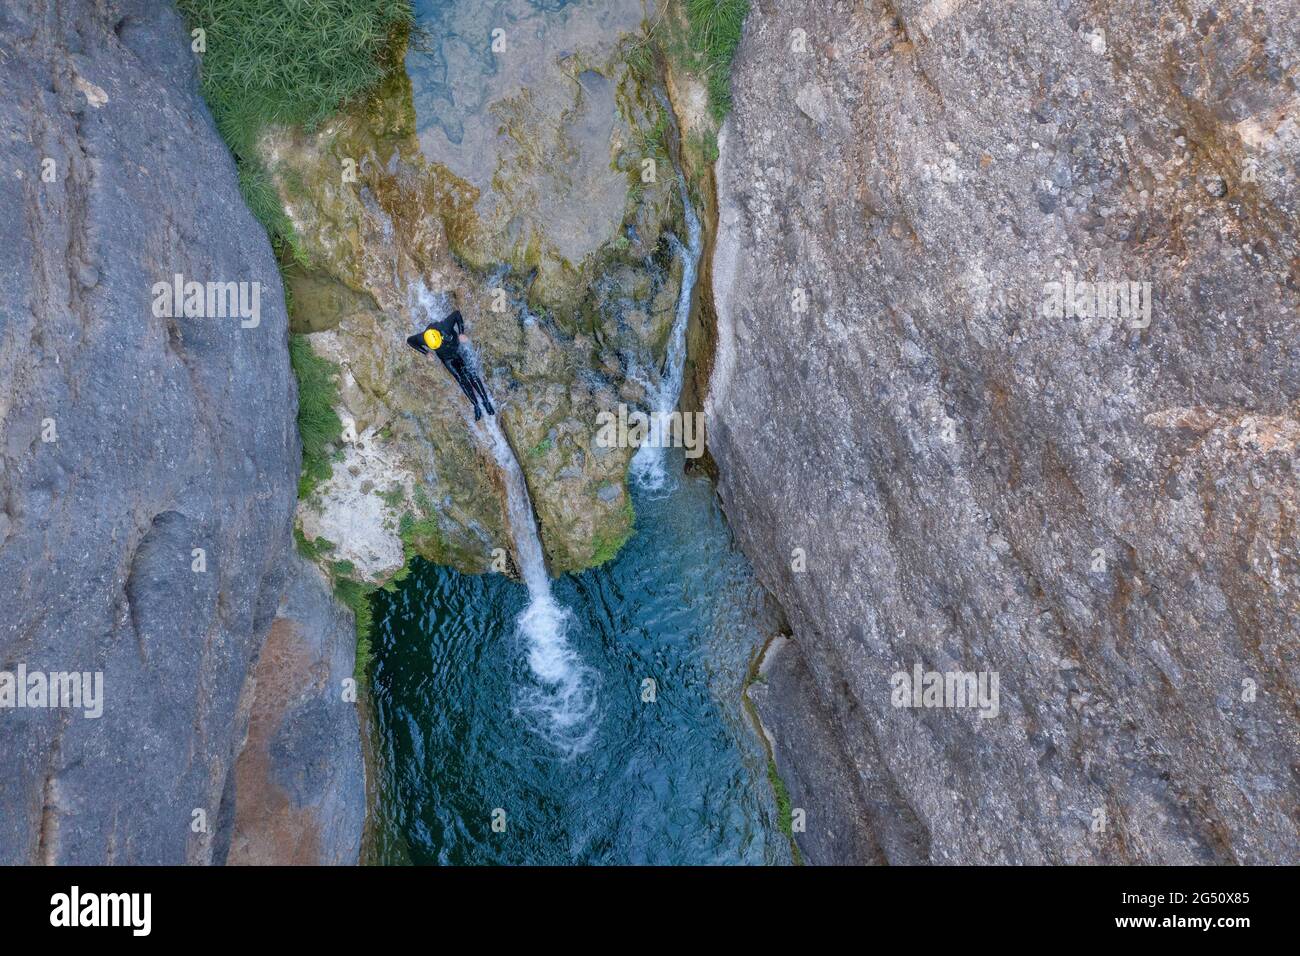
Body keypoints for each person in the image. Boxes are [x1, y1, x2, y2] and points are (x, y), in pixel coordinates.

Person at [406, 309, 496, 420]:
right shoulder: (423, 338)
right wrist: (426, 353)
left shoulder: (445, 327)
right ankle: (476, 405)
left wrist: (461, 332)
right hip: (447, 358)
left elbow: (457, 313)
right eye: (435, 347)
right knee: (461, 380)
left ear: (440, 336)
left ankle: (486, 401)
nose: (437, 347)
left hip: (458, 350)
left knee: (471, 374)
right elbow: (410, 341)